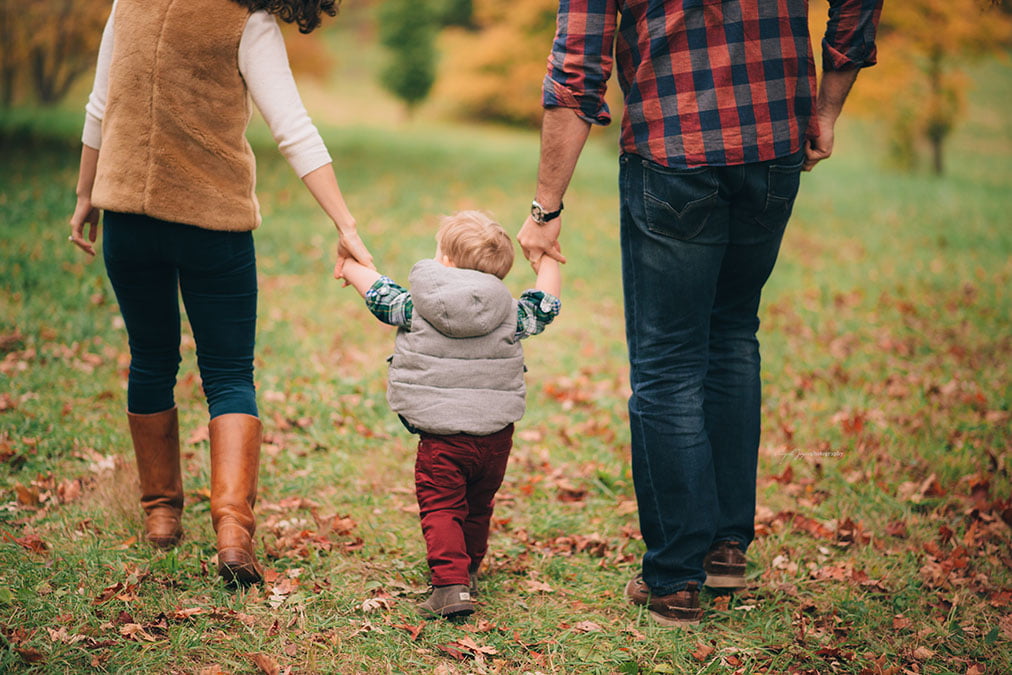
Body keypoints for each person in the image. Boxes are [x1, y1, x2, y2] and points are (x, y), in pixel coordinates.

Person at [518, 0, 882, 626]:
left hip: (674, 154)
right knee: (734, 334)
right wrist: (824, 108)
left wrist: (546, 208)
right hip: (773, 146)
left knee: (668, 362)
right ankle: (725, 547)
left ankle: (676, 577)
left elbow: (577, 71)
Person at [68, 0, 373, 585]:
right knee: (230, 374)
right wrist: (346, 225)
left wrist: (86, 194)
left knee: (152, 359)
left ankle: (161, 515)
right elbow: (294, 129)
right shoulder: (244, 19)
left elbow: (98, 106)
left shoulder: (127, 4)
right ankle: (232, 533)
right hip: (213, 226)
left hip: (128, 220)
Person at [337, 210, 561, 618]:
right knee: (478, 505)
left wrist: (351, 266)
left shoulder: (416, 306)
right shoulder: (511, 312)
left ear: (444, 259)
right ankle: (469, 568)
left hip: (441, 439)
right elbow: (545, 304)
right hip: (495, 437)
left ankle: (450, 586)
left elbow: (379, 293)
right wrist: (545, 259)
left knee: (442, 507)